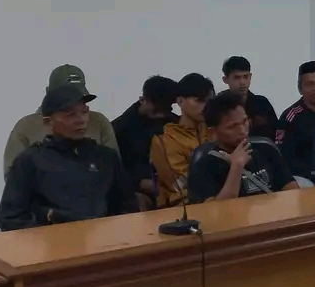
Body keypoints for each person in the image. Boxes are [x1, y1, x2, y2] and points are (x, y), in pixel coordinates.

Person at [0, 84, 137, 231]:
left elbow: (128, 207)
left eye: (84, 112)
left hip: (103, 241)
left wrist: (109, 232)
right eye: (70, 115)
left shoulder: (105, 157)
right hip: (52, 243)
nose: (81, 120)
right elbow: (10, 218)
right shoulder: (30, 161)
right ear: (48, 122)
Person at [4, 65, 119, 176]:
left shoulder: (99, 122)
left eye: (78, 96)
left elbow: (115, 170)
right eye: (66, 101)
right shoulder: (26, 127)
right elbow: (13, 176)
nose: (80, 120)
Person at [187, 93, 298, 202]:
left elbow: (292, 190)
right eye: (232, 126)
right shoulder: (203, 167)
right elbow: (215, 210)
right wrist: (237, 166)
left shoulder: (266, 149)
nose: (242, 130)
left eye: (244, 121)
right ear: (213, 132)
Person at [150, 73, 214, 208]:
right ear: (180, 102)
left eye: (208, 101)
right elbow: (179, 185)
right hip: (182, 207)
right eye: (198, 100)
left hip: (219, 198)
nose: (205, 106)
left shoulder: (213, 131)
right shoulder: (165, 139)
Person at [112, 75, 178, 207]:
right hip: (140, 188)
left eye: (166, 109)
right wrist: (139, 183)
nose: (161, 115)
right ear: (142, 100)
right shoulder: (120, 128)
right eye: (156, 110)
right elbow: (116, 168)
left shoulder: (174, 122)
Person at [221, 56, 279, 141]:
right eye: (237, 78)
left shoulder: (262, 104)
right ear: (225, 79)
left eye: (245, 77)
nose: (242, 82)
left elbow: (277, 134)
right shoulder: (219, 106)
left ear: (250, 76)